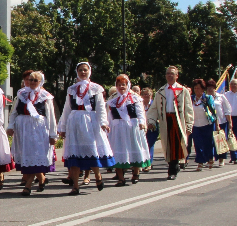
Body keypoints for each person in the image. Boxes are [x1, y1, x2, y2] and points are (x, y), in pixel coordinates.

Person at [57, 62, 113, 194]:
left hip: (90, 121)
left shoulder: (96, 88)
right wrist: (62, 127)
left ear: (89, 72)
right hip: (74, 122)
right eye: (80, 70)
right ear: (77, 72)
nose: (83, 72)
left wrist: (103, 122)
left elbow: (100, 107)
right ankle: (75, 186)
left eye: (85, 70)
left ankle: (97, 175)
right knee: (75, 154)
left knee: (91, 150)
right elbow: (67, 109)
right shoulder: (72, 89)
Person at [8, 71, 57, 196]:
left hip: (38, 130)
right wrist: (10, 126)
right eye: (31, 80)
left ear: (40, 82)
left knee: (36, 156)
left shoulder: (45, 96)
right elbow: (14, 112)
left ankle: (28, 186)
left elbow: (51, 116)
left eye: (36, 80)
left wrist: (53, 135)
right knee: (29, 157)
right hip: (23, 130)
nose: (32, 82)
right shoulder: (21, 94)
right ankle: (42, 179)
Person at [147, 66, 193, 180]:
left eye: (172, 73)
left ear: (177, 76)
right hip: (165, 120)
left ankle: (173, 169)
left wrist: (189, 124)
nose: (169, 75)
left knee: (177, 144)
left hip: (178, 120)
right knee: (168, 145)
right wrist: (151, 121)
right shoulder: (161, 91)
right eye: (168, 73)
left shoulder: (183, 90)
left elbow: (188, 109)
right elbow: (154, 108)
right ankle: (174, 166)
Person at [106, 74, 150, 185]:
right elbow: (109, 116)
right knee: (117, 151)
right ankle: (121, 178)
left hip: (132, 128)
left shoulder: (135, 98)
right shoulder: (112, 100)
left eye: (123, 84)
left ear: (127, 85)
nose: (121, 87)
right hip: (117, 129)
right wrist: (107, 127)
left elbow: (140, 113)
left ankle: (136, 173)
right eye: (119, 85)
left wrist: (142, 123)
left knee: (134, 149)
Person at [189, 79, 218, 171]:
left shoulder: (208, 98)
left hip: (207, 124)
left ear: (202, 89)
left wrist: (217, 124)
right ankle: (200, 162)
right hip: (195, 125)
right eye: (195, 88)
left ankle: (210, 158)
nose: (196, 90)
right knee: (198, 144)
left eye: (198, 88)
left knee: (208, 144)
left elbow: (213, 112)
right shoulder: (191, 99)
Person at [140, 88, 158, 173]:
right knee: (143, 145)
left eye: (148, 94)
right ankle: (143, 162)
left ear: (151, 95)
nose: (147, 96)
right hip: (142, 127)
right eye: (145, 94)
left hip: (152, 127)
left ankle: (149, 163)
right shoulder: (140, 104)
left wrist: (153, 123)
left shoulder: (154, 104)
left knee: (150, 144)